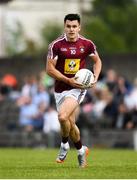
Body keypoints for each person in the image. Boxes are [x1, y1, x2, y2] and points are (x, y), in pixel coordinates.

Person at [46, 13, 102, 168]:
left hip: (77, 88)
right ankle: (81, 151)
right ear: (65, 26)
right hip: (60, 88)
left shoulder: (87, 44)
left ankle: (64, 145)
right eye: (68, 26)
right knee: (70, 123)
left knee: (63, 117)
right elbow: (49, 69)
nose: (71, 29)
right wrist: (67, 79)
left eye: (74, 26)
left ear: (79, 27)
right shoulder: (56, 45)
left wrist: (95, 77)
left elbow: (97, 61)